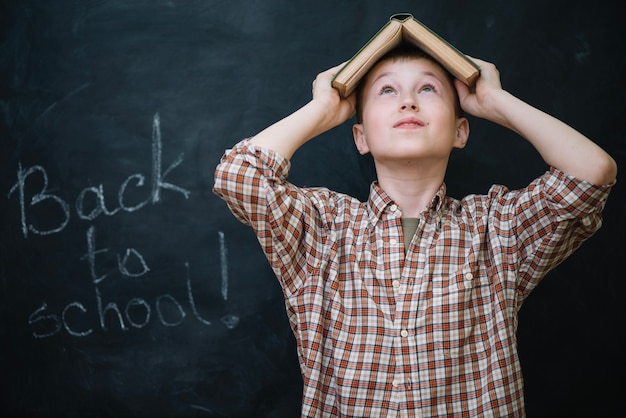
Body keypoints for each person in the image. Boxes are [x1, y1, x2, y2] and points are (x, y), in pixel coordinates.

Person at [213, 44, 616, 417]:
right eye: (387, 91)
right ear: (361, 137)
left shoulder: (497, 229)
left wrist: (495, 101)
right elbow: (238, 176)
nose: (408, 100)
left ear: (461, 131)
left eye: (428, 89)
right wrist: (322, 108)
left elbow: (591, 174)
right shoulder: (321, 227)